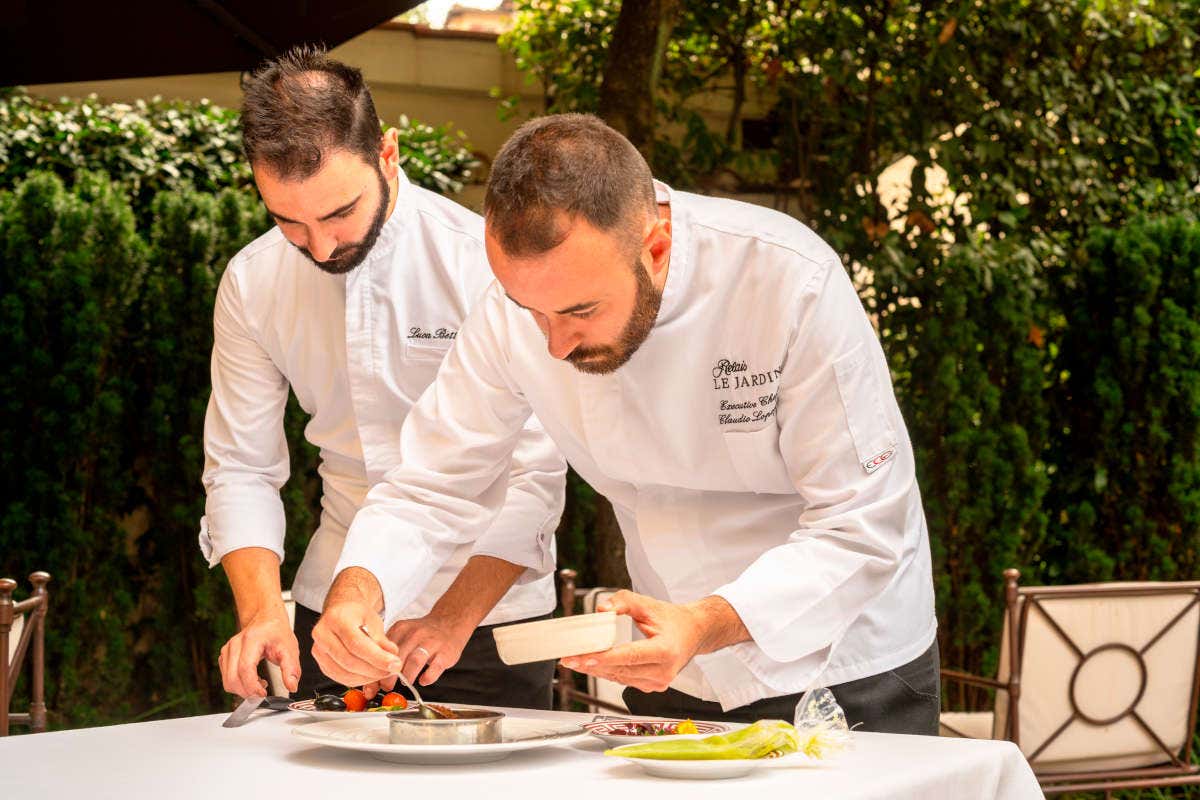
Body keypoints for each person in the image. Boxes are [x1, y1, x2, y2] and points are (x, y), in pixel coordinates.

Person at [313, 114, 939, 732]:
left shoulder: (787, 279)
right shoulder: (513, 310)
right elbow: (433, 482)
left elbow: (860, 524)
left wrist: (704, 623)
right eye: (531, 311)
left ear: (655, 248)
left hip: (845, 664)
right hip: (671, 668)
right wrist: (358, 589)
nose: (554, 344)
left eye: (580, 311)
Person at [199, 46, 566, 709]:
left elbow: (534, 471)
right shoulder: (252, 282)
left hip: (487, 613)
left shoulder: (482, 265)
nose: (320, 246)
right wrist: (262, 615)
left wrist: (449, 620)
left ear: (387, 154)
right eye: (288, 221)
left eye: (339, 212)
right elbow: (242, 467)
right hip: (331, 614)